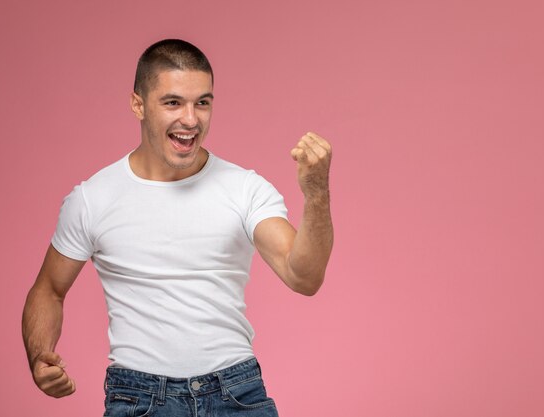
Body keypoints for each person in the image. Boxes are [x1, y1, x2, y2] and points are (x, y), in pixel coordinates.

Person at [22, 39, 333, 417]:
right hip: (139, 398)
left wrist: (316, 195)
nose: (191, 119)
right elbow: (49, 289)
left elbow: (304, 276)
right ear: (138, 104)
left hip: (236, 393)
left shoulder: (245, 189)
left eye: (202, 102)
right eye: (173, 102)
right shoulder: (93, 198)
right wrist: (40, 357)